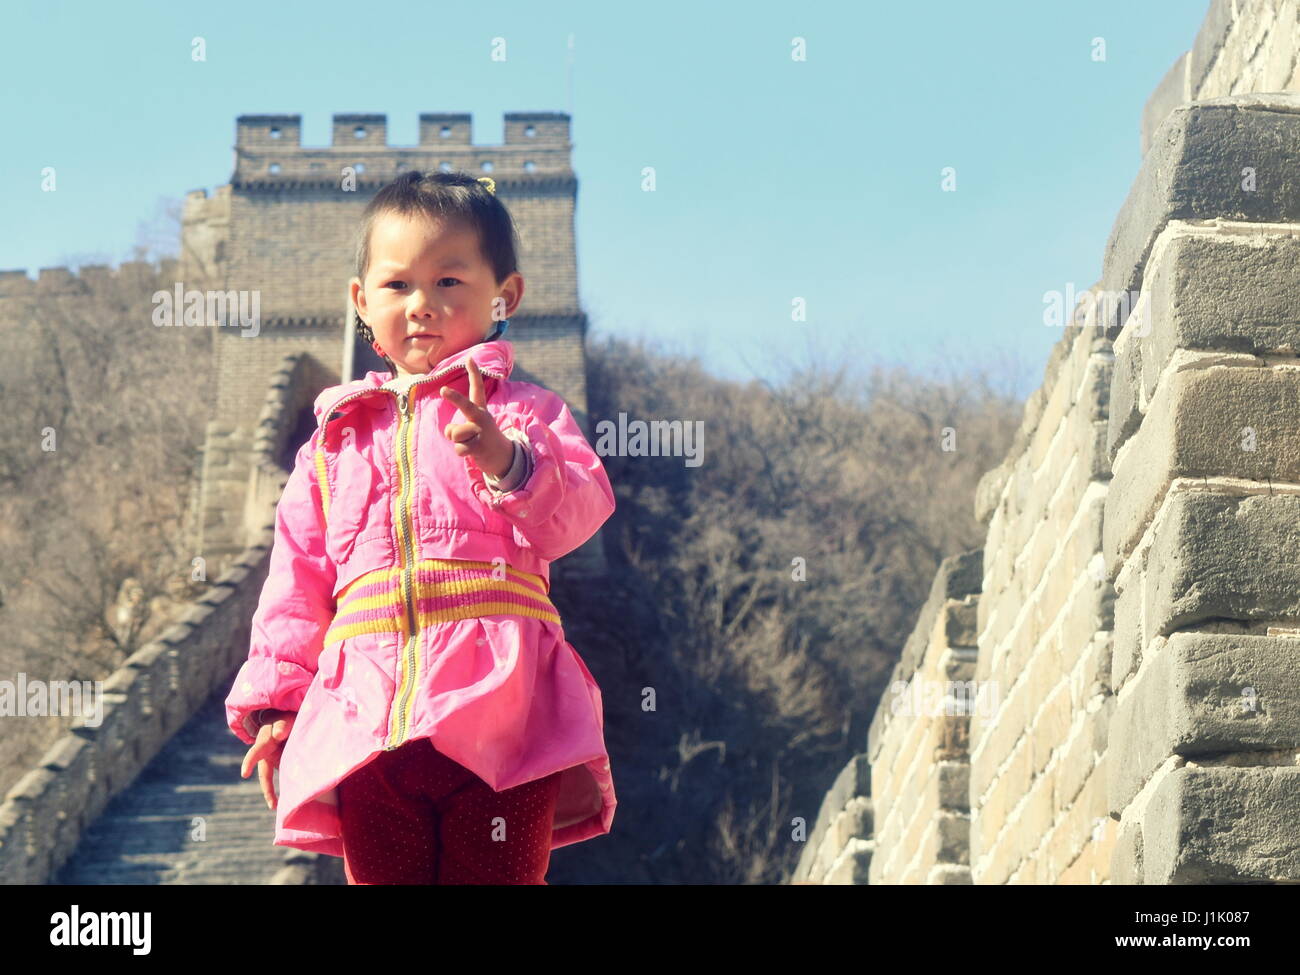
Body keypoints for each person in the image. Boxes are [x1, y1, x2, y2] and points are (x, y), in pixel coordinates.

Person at [223, 170, 617, 884]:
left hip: (504, 714)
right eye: (397, 285)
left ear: (506, 297)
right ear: (360, 303)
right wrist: (278, 707)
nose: (421, 306)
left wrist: (504, 460)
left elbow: (579, 511)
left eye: (448, 282)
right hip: (367, 726)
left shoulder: (525, 413)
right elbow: (294, 588)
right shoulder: (331, 446)